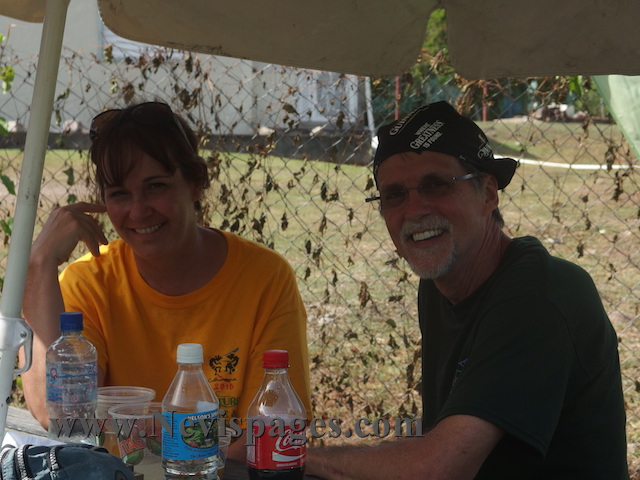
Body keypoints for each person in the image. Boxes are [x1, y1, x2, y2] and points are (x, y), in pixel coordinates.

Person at [306, 101, 628, 479]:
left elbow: (438, 469)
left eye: (436, 185)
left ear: (488, 194)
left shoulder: (541, 296)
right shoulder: (438, 283)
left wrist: (302, 457)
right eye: (394, 195)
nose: (414, 210)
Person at [20, 101, 311, 460]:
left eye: (155, 186)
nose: (138, 211)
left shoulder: (265, 278)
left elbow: (271, 431)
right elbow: (61, 416)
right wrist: (39, 265)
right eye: (119, 194)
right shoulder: (88, 281)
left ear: (196, 183)